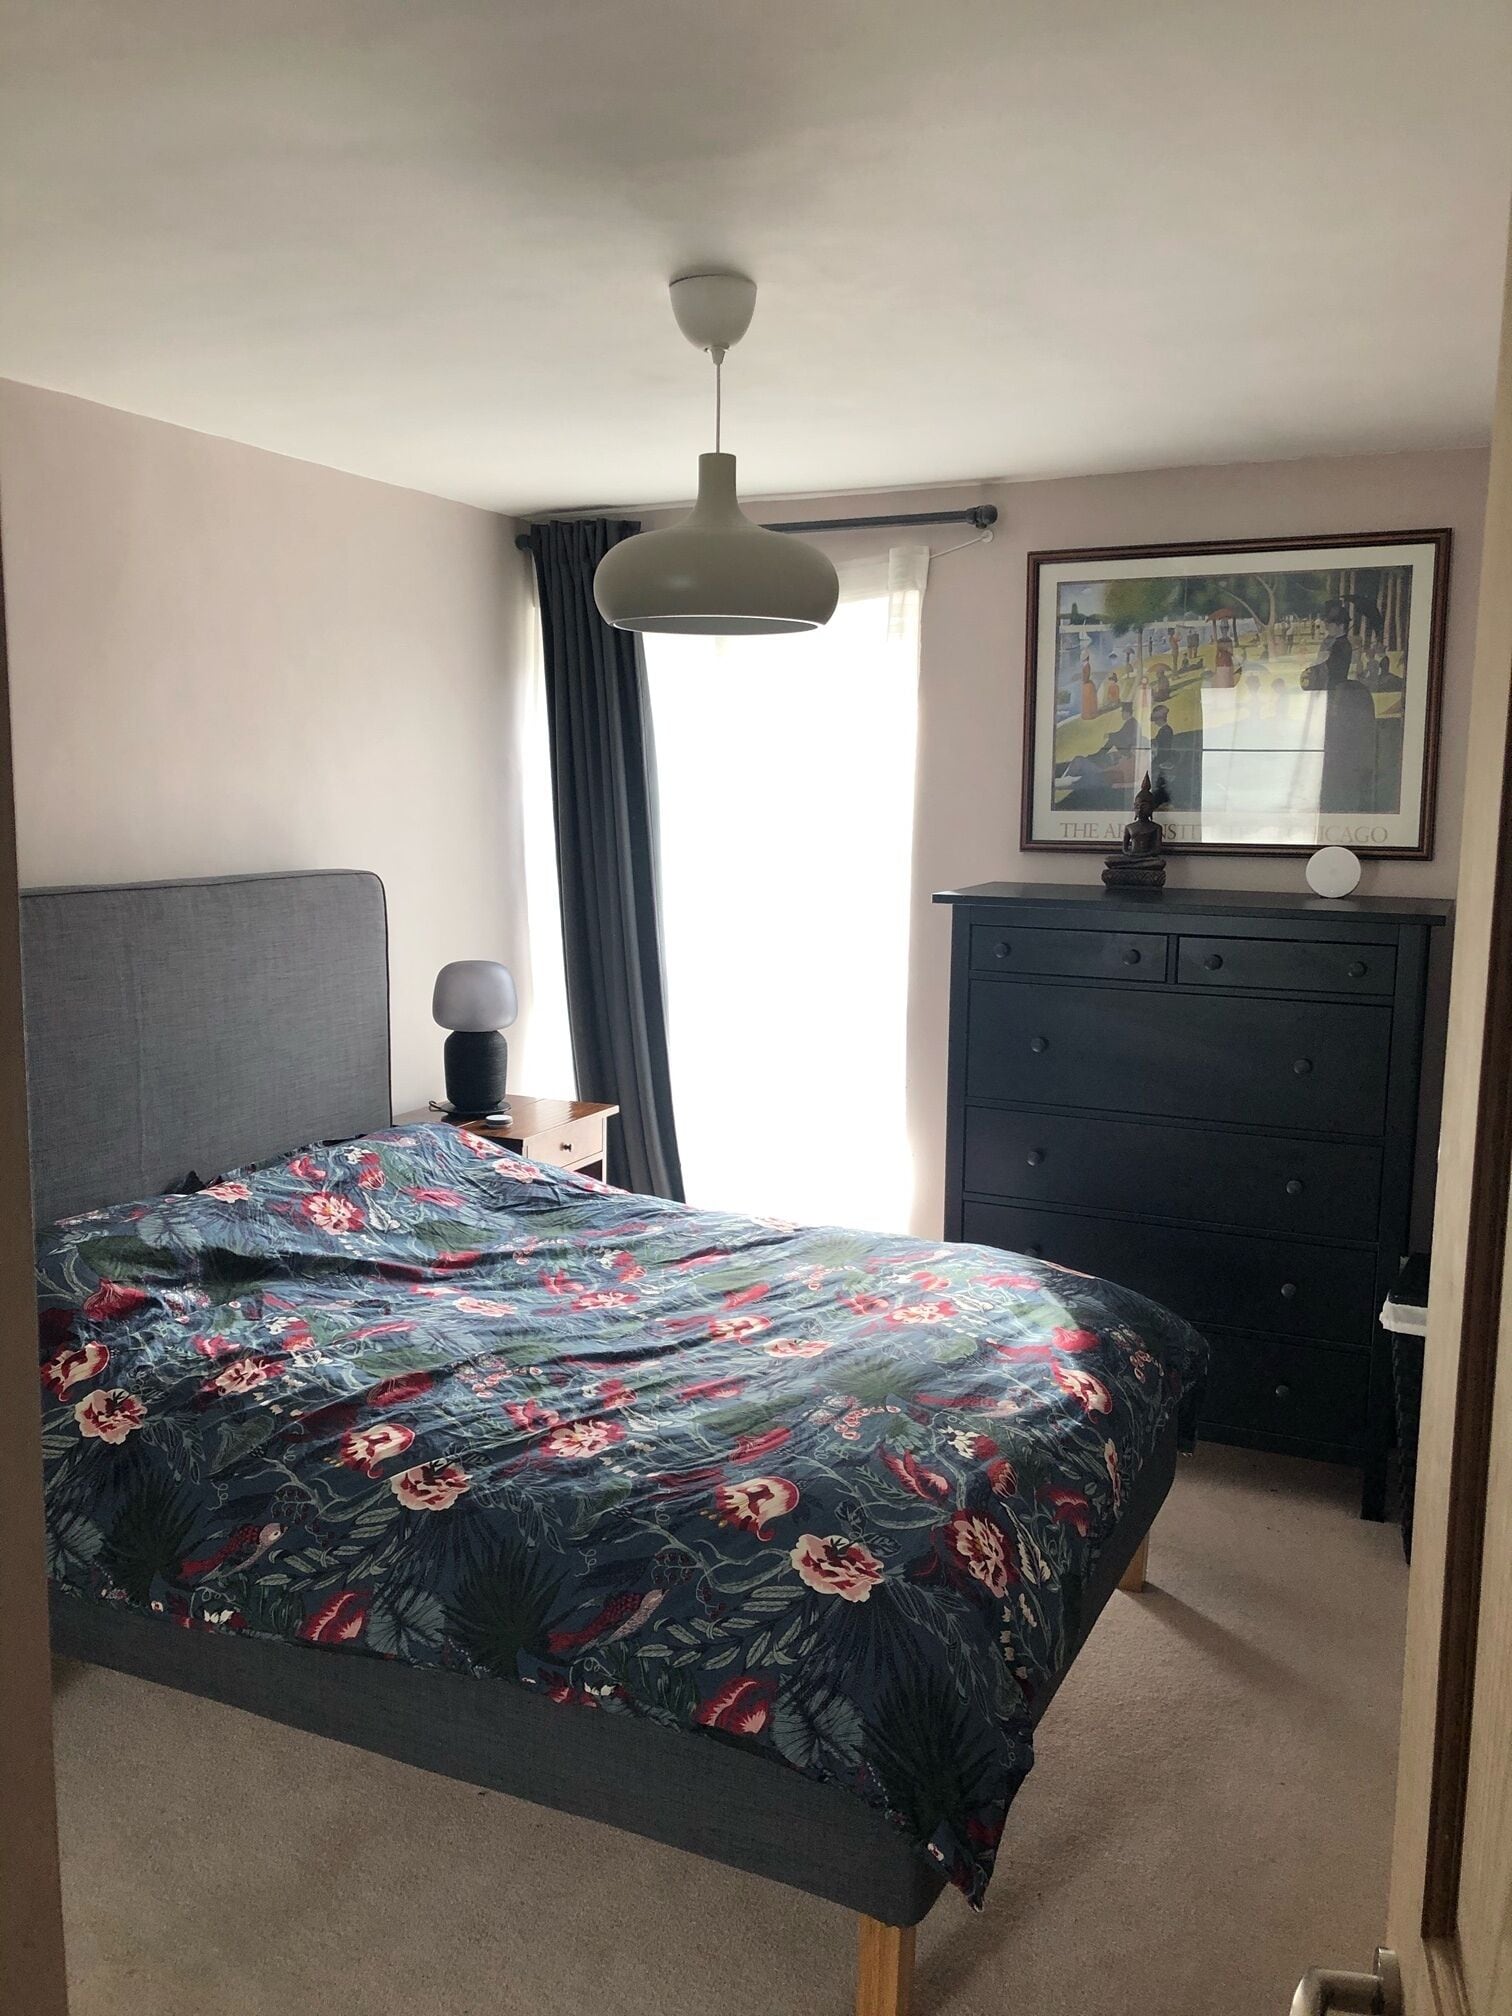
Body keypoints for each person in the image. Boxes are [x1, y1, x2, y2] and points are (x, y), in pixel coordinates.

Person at [1304, 600, 1377, 812]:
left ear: (1340, 625)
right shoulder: (1333, 643)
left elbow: (1331, 669)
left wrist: (1317, 668)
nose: (1328, 626)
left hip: (1336, 688)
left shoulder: (1341, 645)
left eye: (1331, 623)